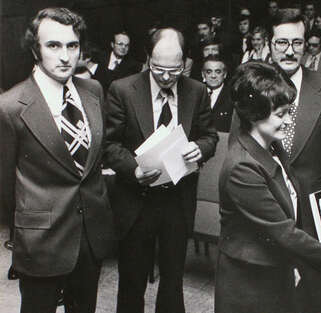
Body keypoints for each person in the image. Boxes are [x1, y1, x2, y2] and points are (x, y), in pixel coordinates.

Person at [215, 61, 321, 313]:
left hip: (274, 271)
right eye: (280, 114)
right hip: (250, 284)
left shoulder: (272, 146)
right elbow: (284, 232)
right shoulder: (241, 167)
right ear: (255, 115)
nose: (289, 120)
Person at [0, 7, 115, 313]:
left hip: (91, 235)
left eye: (72, 45)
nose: (65, 56)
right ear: (35, 49)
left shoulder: (93, 91)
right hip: (41, 242)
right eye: (53, 45)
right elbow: (5, 186)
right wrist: (26, 229)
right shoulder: (10, 106)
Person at [104, 28, 218, 313]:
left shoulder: (197, 90)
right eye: (158, 69)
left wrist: (200, 148)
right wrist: (133, 170)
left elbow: (210, 136)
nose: (166, 77)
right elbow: (109, 144)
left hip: (177, 201)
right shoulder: (123, 89)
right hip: (136, 201)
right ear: (147, 59)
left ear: (185, 63)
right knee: (131, 280)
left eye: (174, 70)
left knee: (173, 280)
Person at [202, 55, 233, 132]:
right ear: (203, 74)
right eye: (209, 72)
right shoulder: (195, 94)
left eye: (218, 72)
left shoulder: (232, 96)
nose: (213, 76)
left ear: (225, 74)